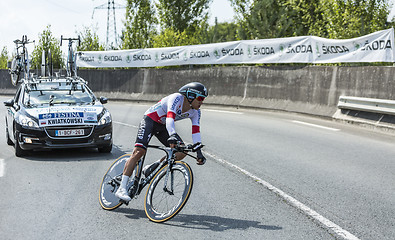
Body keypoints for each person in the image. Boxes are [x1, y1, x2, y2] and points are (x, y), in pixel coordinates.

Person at [115, 82, 208, 201]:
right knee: (139, 152)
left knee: (182, 151)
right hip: (150, 120)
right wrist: (172, 135)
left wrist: (199, 151)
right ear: (190, 96)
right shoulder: (176, 98)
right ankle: (121, 188)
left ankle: (153, 166)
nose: (202, 102)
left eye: (203, 99)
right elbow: (170, 118)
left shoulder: (196, 112)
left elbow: (196, 132)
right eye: (200, 98)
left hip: (163, 127)